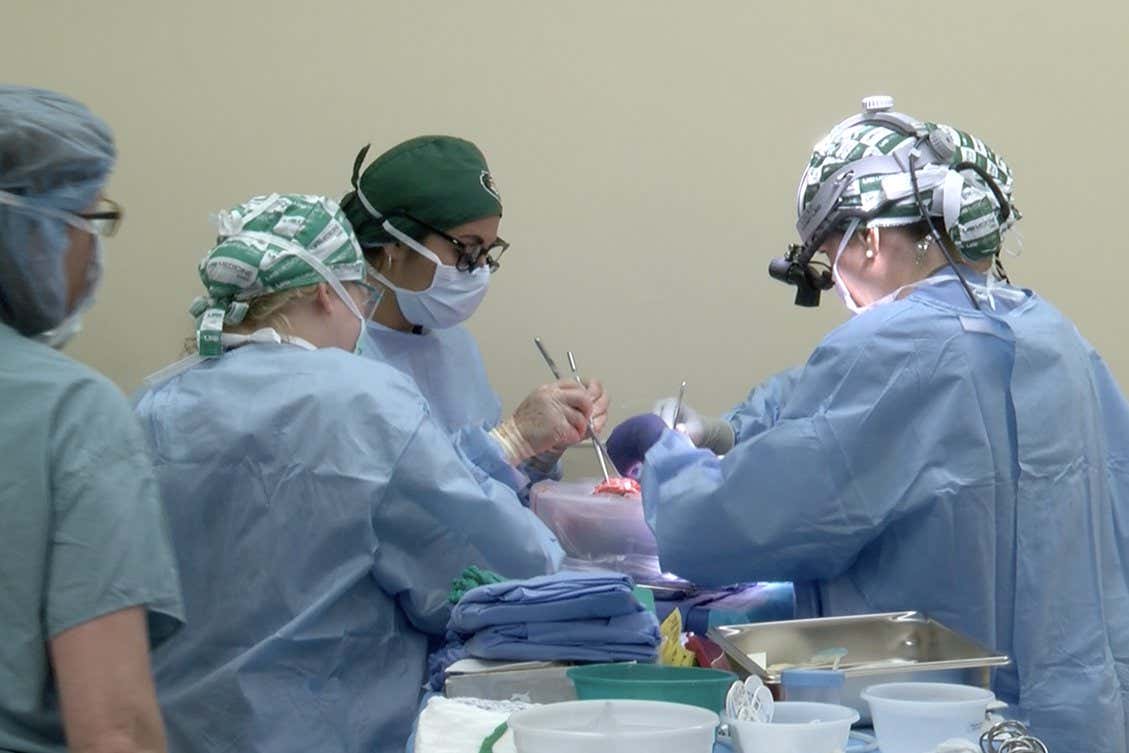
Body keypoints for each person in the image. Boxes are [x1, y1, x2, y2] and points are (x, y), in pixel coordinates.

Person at [607, 96, 1129, 751]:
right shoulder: (1057, 339)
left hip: (931, 725)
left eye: (828, 259)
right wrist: (729, 430)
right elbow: (822, 411)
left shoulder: (892, 348)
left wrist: (668, 457)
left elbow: (719, 527)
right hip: (1081, 723)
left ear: (871, 238)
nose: (834, 286)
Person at [134, 193, 567, 753]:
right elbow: (492, 573)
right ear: (325, 291)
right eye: (359, 296)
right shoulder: (360, 399)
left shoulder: (154, 400)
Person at [0, 86, 184, 753]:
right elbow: (114, 727)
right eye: (87, 219)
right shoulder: (71, 410)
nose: (91, 249)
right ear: (26, 225)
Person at [340, 136, 608, 488]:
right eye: (466, 250)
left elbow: (494, 503)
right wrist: (511, 440)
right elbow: (392, 510)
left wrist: (541, 450)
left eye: (488, 252)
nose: (479, 269)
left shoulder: (454, 347)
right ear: (395, 243)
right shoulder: (338, 357)